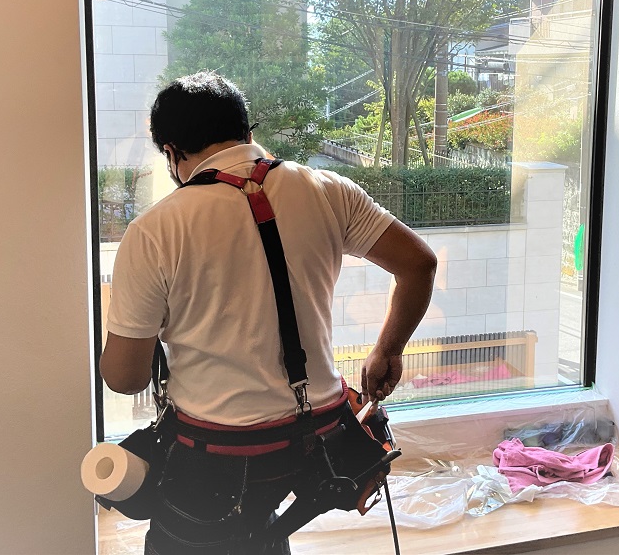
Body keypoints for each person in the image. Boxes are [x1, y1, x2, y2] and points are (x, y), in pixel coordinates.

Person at [100, 71, 436, 555]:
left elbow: (125, 378)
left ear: (172, 153)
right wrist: (388, 351)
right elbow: (419, 264)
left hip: (218, 455)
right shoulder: (328, 189)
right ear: (246, 131)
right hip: (318, 442)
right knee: (265, 536)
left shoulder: (156, 230)